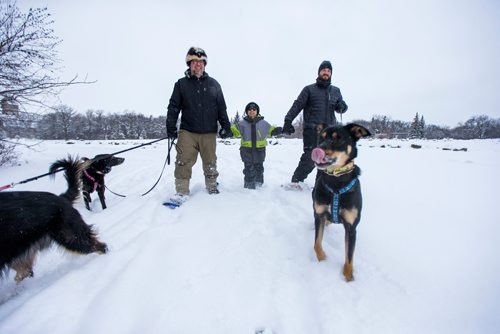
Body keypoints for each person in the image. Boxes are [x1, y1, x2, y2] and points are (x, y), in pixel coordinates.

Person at [166, 46, 232, 201]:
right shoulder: (181, 84)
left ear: (205, 64)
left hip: (209, 131)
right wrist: (170, 126)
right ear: (189, 64)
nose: (198, 64)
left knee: (210, 161)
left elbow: (222, 107)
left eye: (201, 62)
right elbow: (174, 107)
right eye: (194, 61)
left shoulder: (214, 84)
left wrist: (226, 126)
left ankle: (212, 186)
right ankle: (182, 191)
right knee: (183, 161)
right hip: (187, 131)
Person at [282, 60, 348, 189]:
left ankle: (320, 185)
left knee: (325, 159)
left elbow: (342, 106)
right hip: (312, 130)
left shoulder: (336, 91)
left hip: (329, 131)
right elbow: (298, 105)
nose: (326, 72)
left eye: (328, 71)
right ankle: (296, 181)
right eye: (323, 70)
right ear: (319, 72)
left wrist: (343, 106)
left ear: (331, 74)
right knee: (310, 157)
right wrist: (288, 120)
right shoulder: (309, 89)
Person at [230, 102, 281, 189]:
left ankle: (259, 184)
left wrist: (279, 130)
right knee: (249, 168)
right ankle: (249, 186)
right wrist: (227, 132)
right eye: (249, 109)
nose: (252, 111)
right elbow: (234, 131)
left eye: (254, 109)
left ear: (257, 111)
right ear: (246, 112)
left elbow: (271, 130)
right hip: (246, 150)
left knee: (259, 168)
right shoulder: (242, 123)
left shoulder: (263, 123)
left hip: (259, 150)